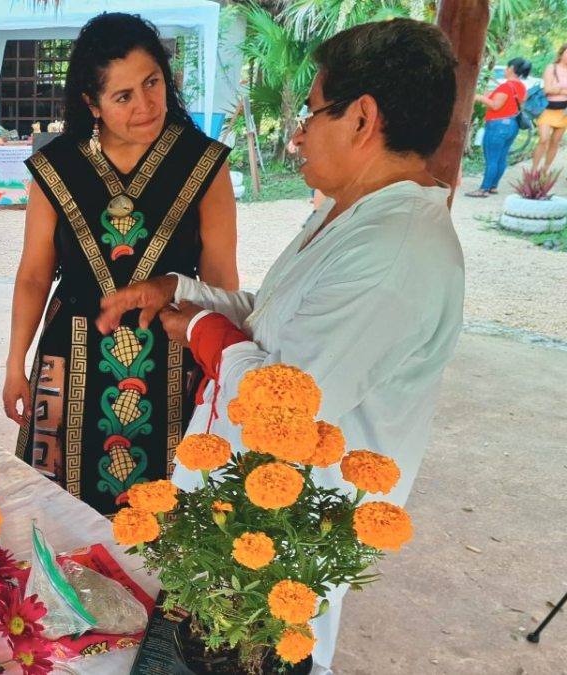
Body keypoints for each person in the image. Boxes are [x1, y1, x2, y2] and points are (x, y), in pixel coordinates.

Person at [95, 20, 463, 671]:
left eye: (312, 110)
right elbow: (275, 317)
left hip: (274, 562)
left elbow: (282, 399)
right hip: (229, 530)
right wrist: (179, 290)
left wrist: (202, 331)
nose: (298, 132)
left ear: (362, 118)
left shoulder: (395, 254)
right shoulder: (349, 211)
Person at [2, 12, 239, 517]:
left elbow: (221, 279)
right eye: (123, 95)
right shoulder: (57, 167)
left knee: (172, 510)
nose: (145, 104)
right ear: (92, 103)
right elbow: (34, 275)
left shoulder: (204, 163)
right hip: (71, 354)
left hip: (175, 352)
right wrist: (15, 364)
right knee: (62, 508)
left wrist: (222, 366)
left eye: (152, 82)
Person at [466, 58, 531, 198]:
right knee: (501, 157)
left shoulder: (506, 87)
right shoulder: (521, 87)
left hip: (497, 126)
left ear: (512, 69)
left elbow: (496, 105)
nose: (505, 70)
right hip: (512, 125)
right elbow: (512, 103)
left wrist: (477, 97)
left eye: (507, 67)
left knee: (492, 159)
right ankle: (493, 186)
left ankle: (483, 189)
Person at [532, 44, 567, 173]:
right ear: (562, 53)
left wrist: (559, 90)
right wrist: (562, 91)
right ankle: (534, 169)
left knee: (556, 141)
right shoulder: (551, 68)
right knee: (543, 139)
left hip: (564, 111)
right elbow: (548, 90)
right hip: (547, 109)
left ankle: (544, 170)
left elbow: (554, 89)